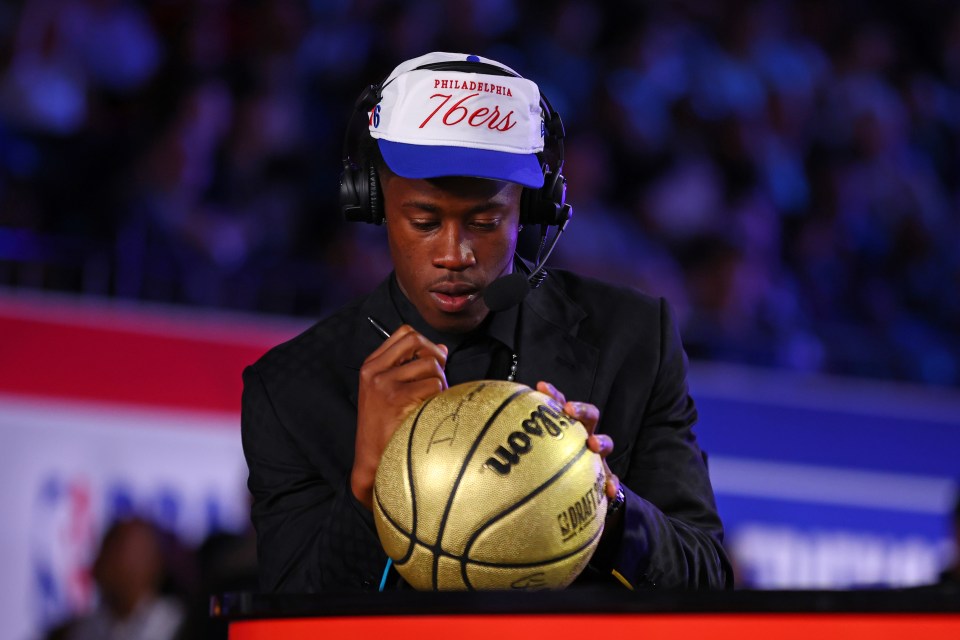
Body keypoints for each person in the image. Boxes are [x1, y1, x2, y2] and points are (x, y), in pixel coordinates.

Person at [241, 51, 733, 592]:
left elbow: (706, 581)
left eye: (485, 222)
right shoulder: (288, 388)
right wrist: (366, 493)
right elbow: (287, 613)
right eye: (423, 221)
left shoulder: (633, 339)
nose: (454, 254)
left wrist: (605, 503)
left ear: (533, 207)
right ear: (372, 201)